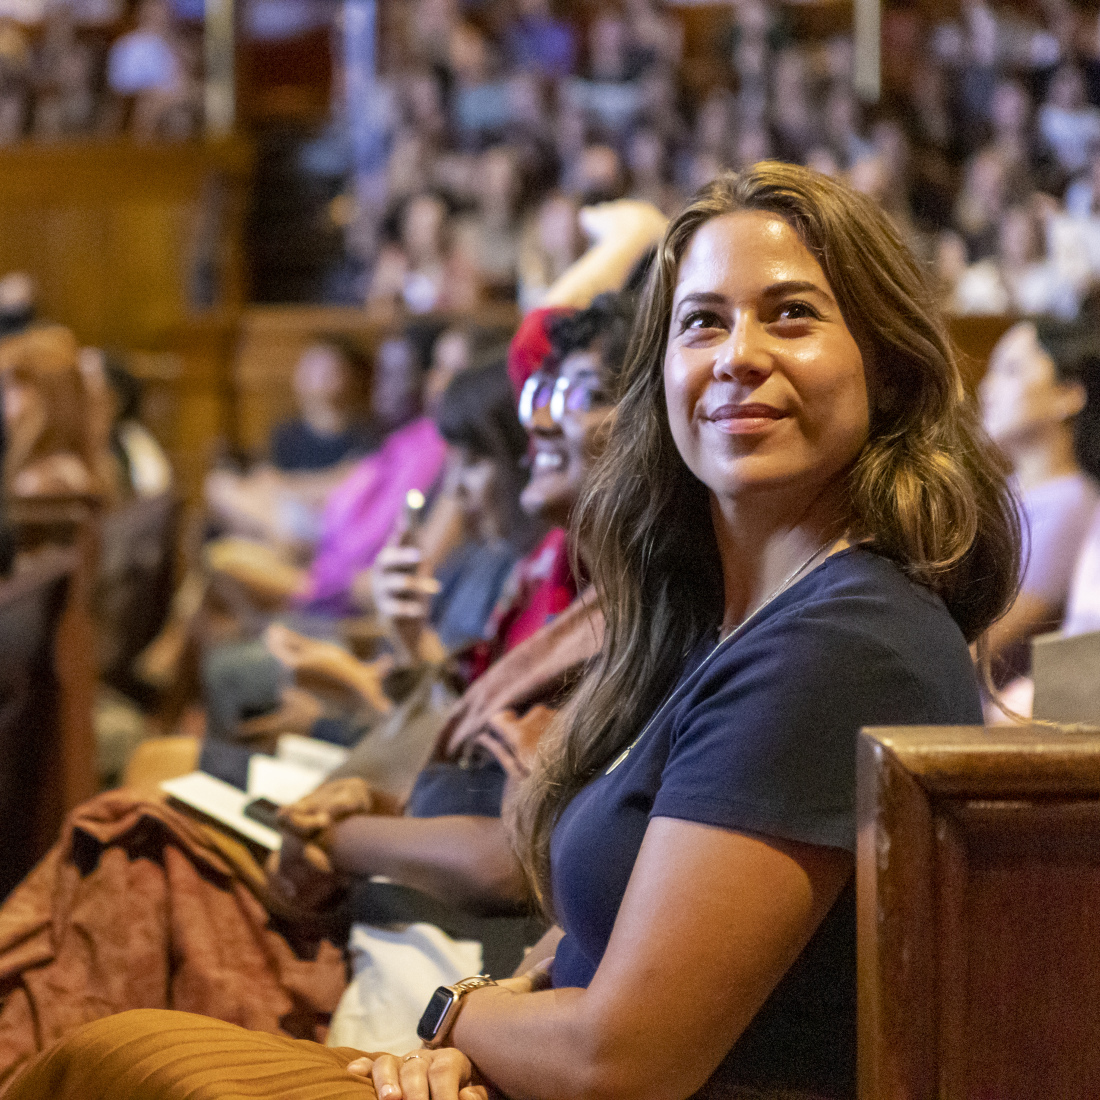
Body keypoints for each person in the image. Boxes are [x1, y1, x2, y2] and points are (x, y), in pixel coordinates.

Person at [6, 164, 1020, 1100]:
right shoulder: (730, 614)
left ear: (884, 368)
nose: (737, 356)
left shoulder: (838, 645)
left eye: (789, 316)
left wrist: (457, 1011)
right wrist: (497, 1009)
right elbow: (601, 937)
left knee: (105, 1053)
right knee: (90, 962)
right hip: (510, 1048)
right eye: (700, 323)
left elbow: (619, 1059)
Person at [979, 320, 1100, 674]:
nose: (987, 388)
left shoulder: (1072, 503)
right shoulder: (1005, 491)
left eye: (1011, 370)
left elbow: (983, 642)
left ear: (1068, 395)